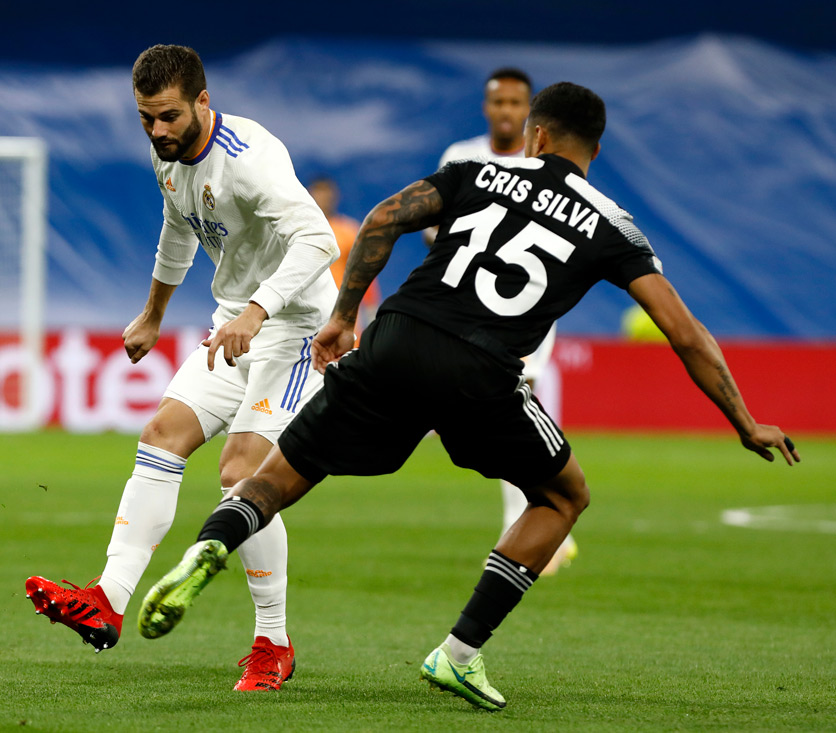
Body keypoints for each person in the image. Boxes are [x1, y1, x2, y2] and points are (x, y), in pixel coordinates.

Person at [136, 82, 800, 710]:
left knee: (274, 478)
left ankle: (212, 544)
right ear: (593, 150)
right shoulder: (613, 225)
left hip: (396, 337)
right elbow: (683, 331)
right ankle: (459, 650)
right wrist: (744, 422)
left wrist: (342, 316)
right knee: (565, 495)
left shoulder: (479, 172)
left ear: (536, 136)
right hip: (481, 371)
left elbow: (382, 219)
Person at [25, 44, 340, 692]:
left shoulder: (251, 162)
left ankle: (272, 642)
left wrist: (257, 311)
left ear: (202, 101)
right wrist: (152, 315)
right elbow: (178, 228)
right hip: (237, 324)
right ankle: (108, 600)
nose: (158, 131)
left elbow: (317, 239)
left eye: (168, 116)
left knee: (242, 471)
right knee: (162, 436)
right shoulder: (168, 154)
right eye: (146, 119)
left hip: (297, 333)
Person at [430, 67, 577, 574]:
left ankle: (533, 525)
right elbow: (433, 225)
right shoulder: (461, 157)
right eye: (499, 102)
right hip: (465, 308)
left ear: (530, 111)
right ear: (488, 107)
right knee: (493, 416)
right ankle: (547, 520)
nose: (507, 111)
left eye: (517, 103)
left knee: (514, 410)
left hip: (525, 310)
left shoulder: (549, 166)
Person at [307, 175, 382, 329]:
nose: (323, 198)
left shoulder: (349, 230)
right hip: (307, 319)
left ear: (335, 196)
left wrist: (372, 313)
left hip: (344, 321)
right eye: (318, 192)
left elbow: (364, 273)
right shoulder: (299, 231)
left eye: (327, 193)